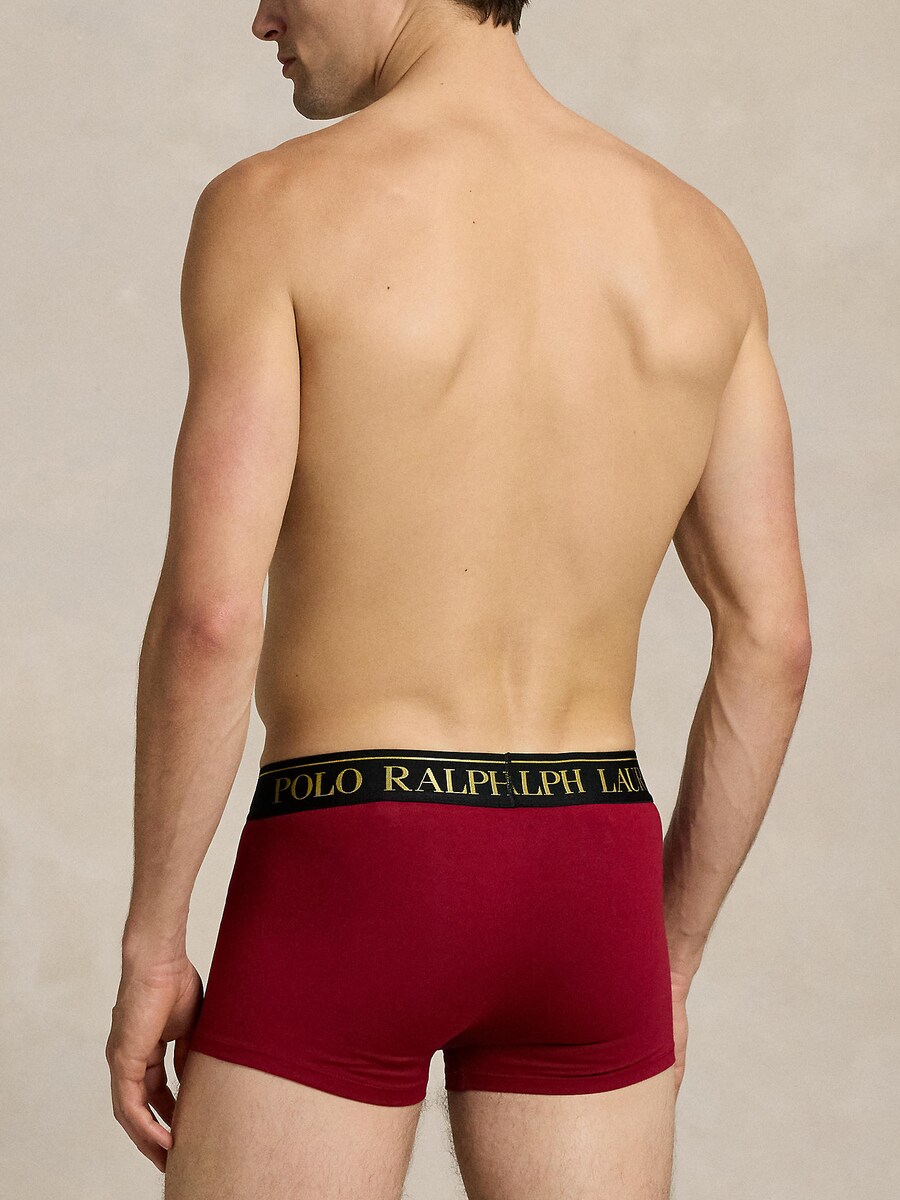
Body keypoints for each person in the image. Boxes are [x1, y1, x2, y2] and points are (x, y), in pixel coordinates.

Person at [104, 1, 812, 1196]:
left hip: (353, 850)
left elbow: (211, 618)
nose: (262, 16)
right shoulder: (699, 242)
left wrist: (153, 942)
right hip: (592, 868)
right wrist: (670, 956)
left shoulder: (273, 207)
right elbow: (774, 641)